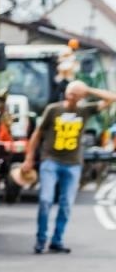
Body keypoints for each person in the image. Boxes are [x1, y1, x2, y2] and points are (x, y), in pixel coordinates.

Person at [25, 79, 116, 254]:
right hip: (50, 160)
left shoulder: (84, 110)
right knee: (46, 200)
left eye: (77, 94)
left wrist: (88, 89)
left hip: (73, 164)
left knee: (66, 204)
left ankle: (57, 240)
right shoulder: (54, 110)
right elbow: (38, 134)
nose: (72, 96)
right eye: (70, 92)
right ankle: (41, 239)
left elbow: (112, 98)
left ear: (82, 96)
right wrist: (29, 157)